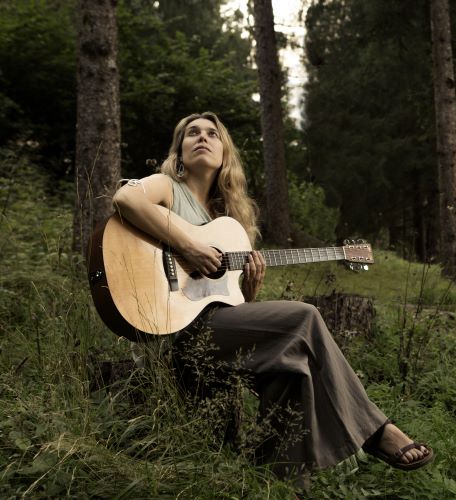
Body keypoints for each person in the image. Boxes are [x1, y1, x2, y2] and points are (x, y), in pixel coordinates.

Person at [111, 111, 433, 482]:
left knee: (291, 369)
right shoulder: (167, 187)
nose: (202, 137)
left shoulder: (229, 223)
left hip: (213, 330)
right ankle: (375, 431)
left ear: (225, 152)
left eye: (212, 134)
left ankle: (279, 482)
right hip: (173, 331)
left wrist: (249, 289)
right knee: (305, 316)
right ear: (179, 152)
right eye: (192, 133)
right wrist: (188, 245)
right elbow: (125, 198)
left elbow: (225, 302)